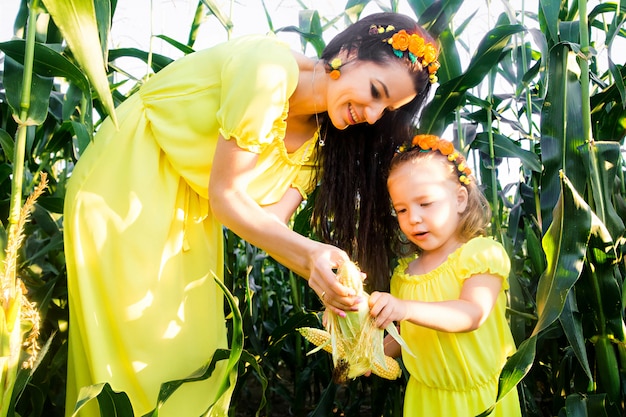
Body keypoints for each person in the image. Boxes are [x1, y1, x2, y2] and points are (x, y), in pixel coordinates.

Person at [63, 12, 439, 417]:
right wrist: (309, 253)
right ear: (348, 53)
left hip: (191, 216)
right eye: (375, 91)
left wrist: (334, 284)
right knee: (134, 360)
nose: (372, 115)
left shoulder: (317, 144)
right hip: (126, 186)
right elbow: (228, 197)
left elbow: (270, 227)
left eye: (386, 110)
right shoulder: (267, 70)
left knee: (193, 359)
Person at [368, 134, 522, 416]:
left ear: (460, 199)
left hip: (480, 400)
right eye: (401, 209)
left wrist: (403, 307)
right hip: (425, 401)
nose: (413, 218)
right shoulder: (405, 275)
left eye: (425, 204)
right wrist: (371, 353)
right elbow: (408, 334)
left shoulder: (481, 255)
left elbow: (471, 314)